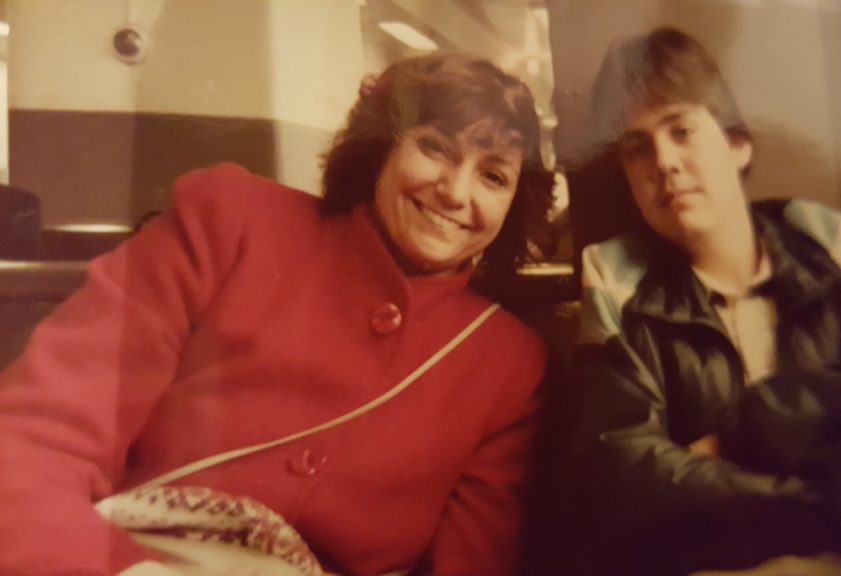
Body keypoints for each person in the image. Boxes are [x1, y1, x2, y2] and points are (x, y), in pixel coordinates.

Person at [0, 54, 554, 575]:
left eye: (493, 176)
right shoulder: (229, 222)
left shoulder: (506, 362)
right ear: (381, 145)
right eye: (435, 148)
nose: (456, 193)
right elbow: (40, 439)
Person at [564, 28, 841, 575]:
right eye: (638, 149)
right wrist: (809, 505)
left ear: (737, 142)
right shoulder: (618, 279)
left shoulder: (829, 246)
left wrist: (740, 434)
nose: (665, 162)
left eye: (682, 130)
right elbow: (621, 467)